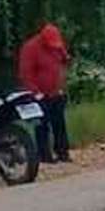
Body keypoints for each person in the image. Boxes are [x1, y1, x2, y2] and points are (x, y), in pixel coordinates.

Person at [18, 21, 72, 164]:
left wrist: (62, 79)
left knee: (59, 123)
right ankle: (44, 155)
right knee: (42, 125)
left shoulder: (57, 46)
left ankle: (63, 152)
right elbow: (25, 73)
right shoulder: (30, 48)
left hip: (56, 91)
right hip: (39, 94)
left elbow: (64, 59)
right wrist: (35, 92)